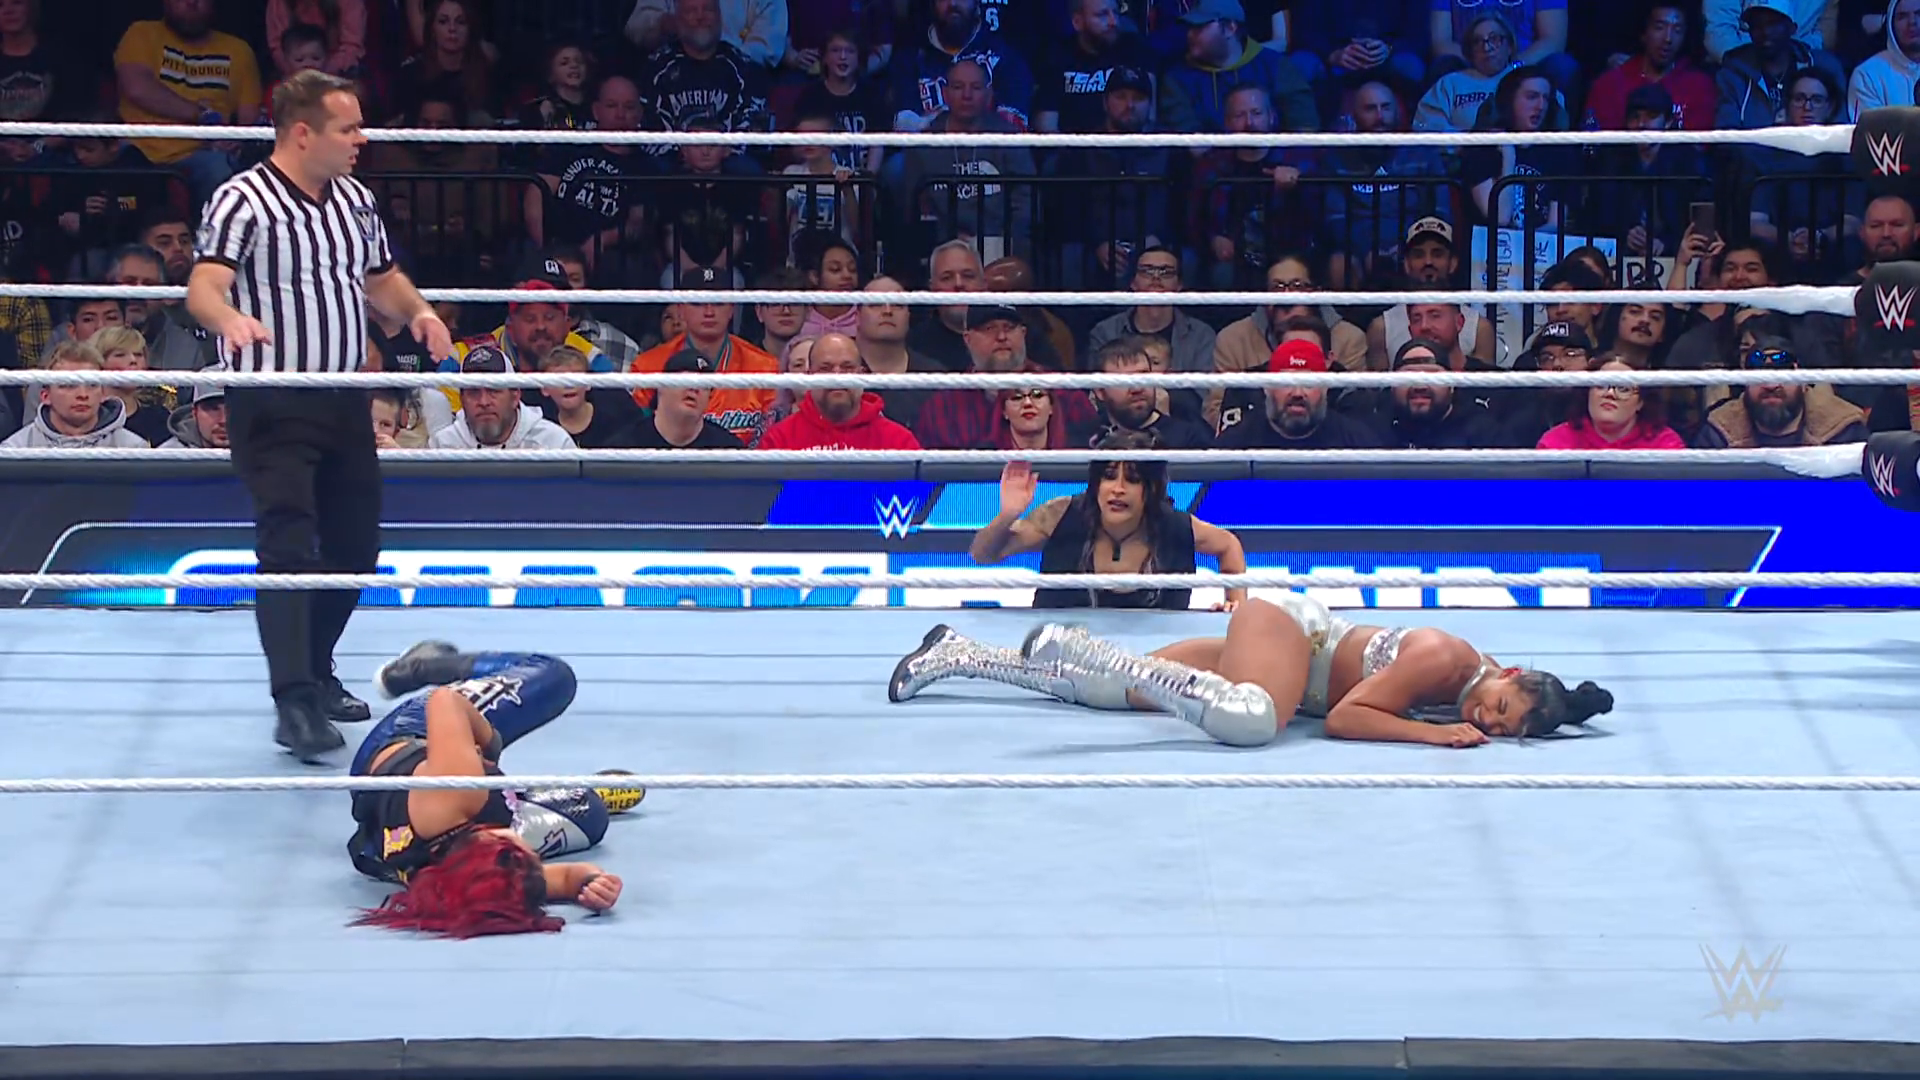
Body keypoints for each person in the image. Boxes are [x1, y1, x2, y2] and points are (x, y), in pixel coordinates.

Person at [188, 69, 453, 763]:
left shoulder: (355, 200)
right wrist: (230, 320)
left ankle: (315, 666)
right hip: (271, 399)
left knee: (355, 547)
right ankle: (295, 701)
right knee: (287, 547)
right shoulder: (243, 199)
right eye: (348, 128)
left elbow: (381, 278)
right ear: (303, 133)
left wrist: (419, 312)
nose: (361, 139)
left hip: (342, 397)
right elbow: (204, 285)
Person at [890, 595, 1612, 749]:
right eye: (1500, 707)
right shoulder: (1445, 658)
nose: (1487, 720)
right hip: (1290, 639)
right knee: (1252, 722)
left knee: (1113, 697)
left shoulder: (1479, 684)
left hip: (1288, 665)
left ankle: (961, 654)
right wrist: (1435, 736)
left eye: (1503, 729)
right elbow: (1346, 719)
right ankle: (1087, 646)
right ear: (1510, 673)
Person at [349, 641, 636, 938]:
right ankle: (526, 794)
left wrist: (488, 747)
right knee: (588, 811)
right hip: (410, 813)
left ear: (489, 844)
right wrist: (592, 883)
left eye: (525, 855)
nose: (533, 857)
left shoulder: (452, 798)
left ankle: (418, 667)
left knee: (553, 676)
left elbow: (444, 701)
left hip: (407, 736)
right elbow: (563, 880)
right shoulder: (464, 881)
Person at [967, 433, 1248, 611]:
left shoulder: (1174, 527)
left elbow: (1228, 546)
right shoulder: (1061, 515)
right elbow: (982, 554)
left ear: (1151, 489)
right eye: (1109, 477)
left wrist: (1235, 608)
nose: (1118, 489)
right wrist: (1008, 514)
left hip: (1153, 662)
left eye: (1133, 480)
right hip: (1061, 658)